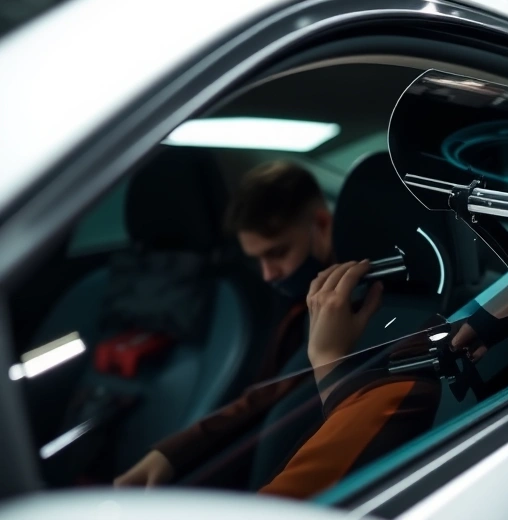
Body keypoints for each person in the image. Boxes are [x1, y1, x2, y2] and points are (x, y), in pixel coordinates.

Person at [114, 161, 380, 487]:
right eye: (258, 259)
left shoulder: (357, 304)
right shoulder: (303, 306)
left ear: (322, 225)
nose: (268, 274)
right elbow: (274, 390)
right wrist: (170, 454)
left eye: (278, 252)